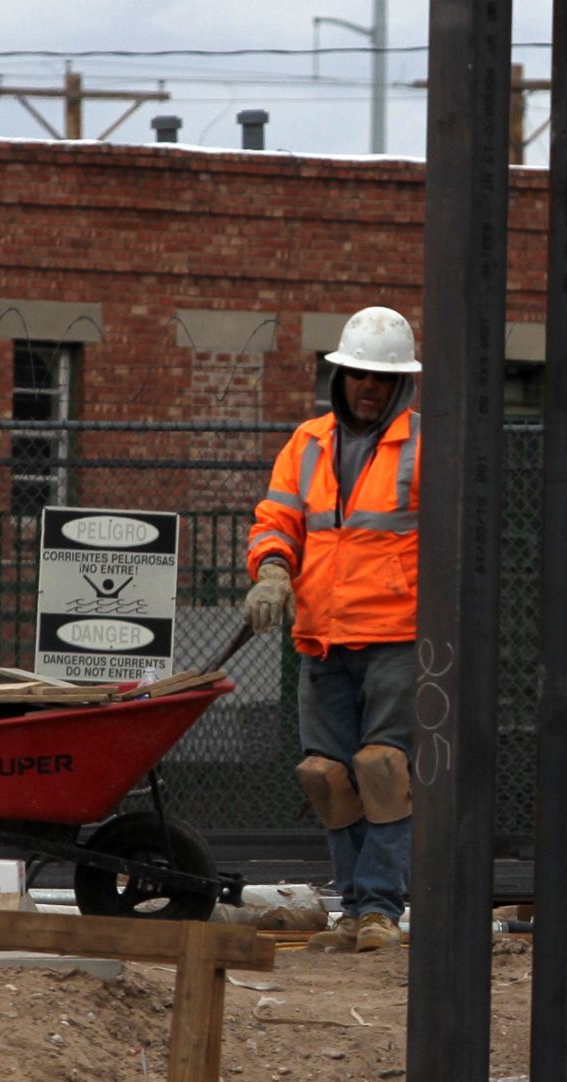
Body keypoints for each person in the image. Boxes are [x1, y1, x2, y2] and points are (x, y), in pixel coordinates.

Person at [245, 307, 423, 954]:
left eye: (381, 378)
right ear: (339, 376)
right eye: (357, 375)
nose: (367, 388)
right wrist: (270, 573)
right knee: (326, 776)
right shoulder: (308, 444)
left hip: (395, 636)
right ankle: (352, 907)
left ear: (399, 384)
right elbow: (277, 520)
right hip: (322, 636)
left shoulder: (424, 445)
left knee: (381, 769)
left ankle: (379, 907)